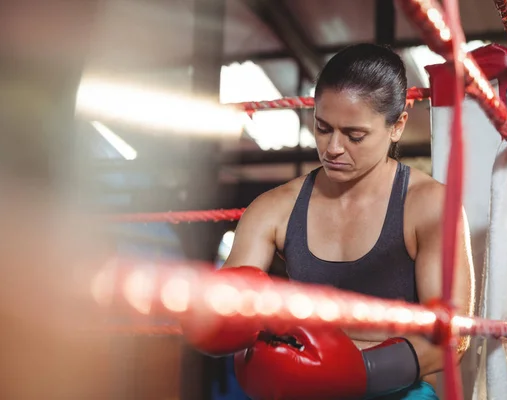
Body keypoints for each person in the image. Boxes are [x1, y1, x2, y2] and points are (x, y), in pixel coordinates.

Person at [181, 43, 475, 400]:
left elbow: (452, 336)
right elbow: (224, 307)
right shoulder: (275, 208)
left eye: (354, 135)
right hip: (302, 389)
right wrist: (208, 316)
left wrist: (359, 373)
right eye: (323, 128)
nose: (333, 147)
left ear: (397, 126)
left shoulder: (428, 205)